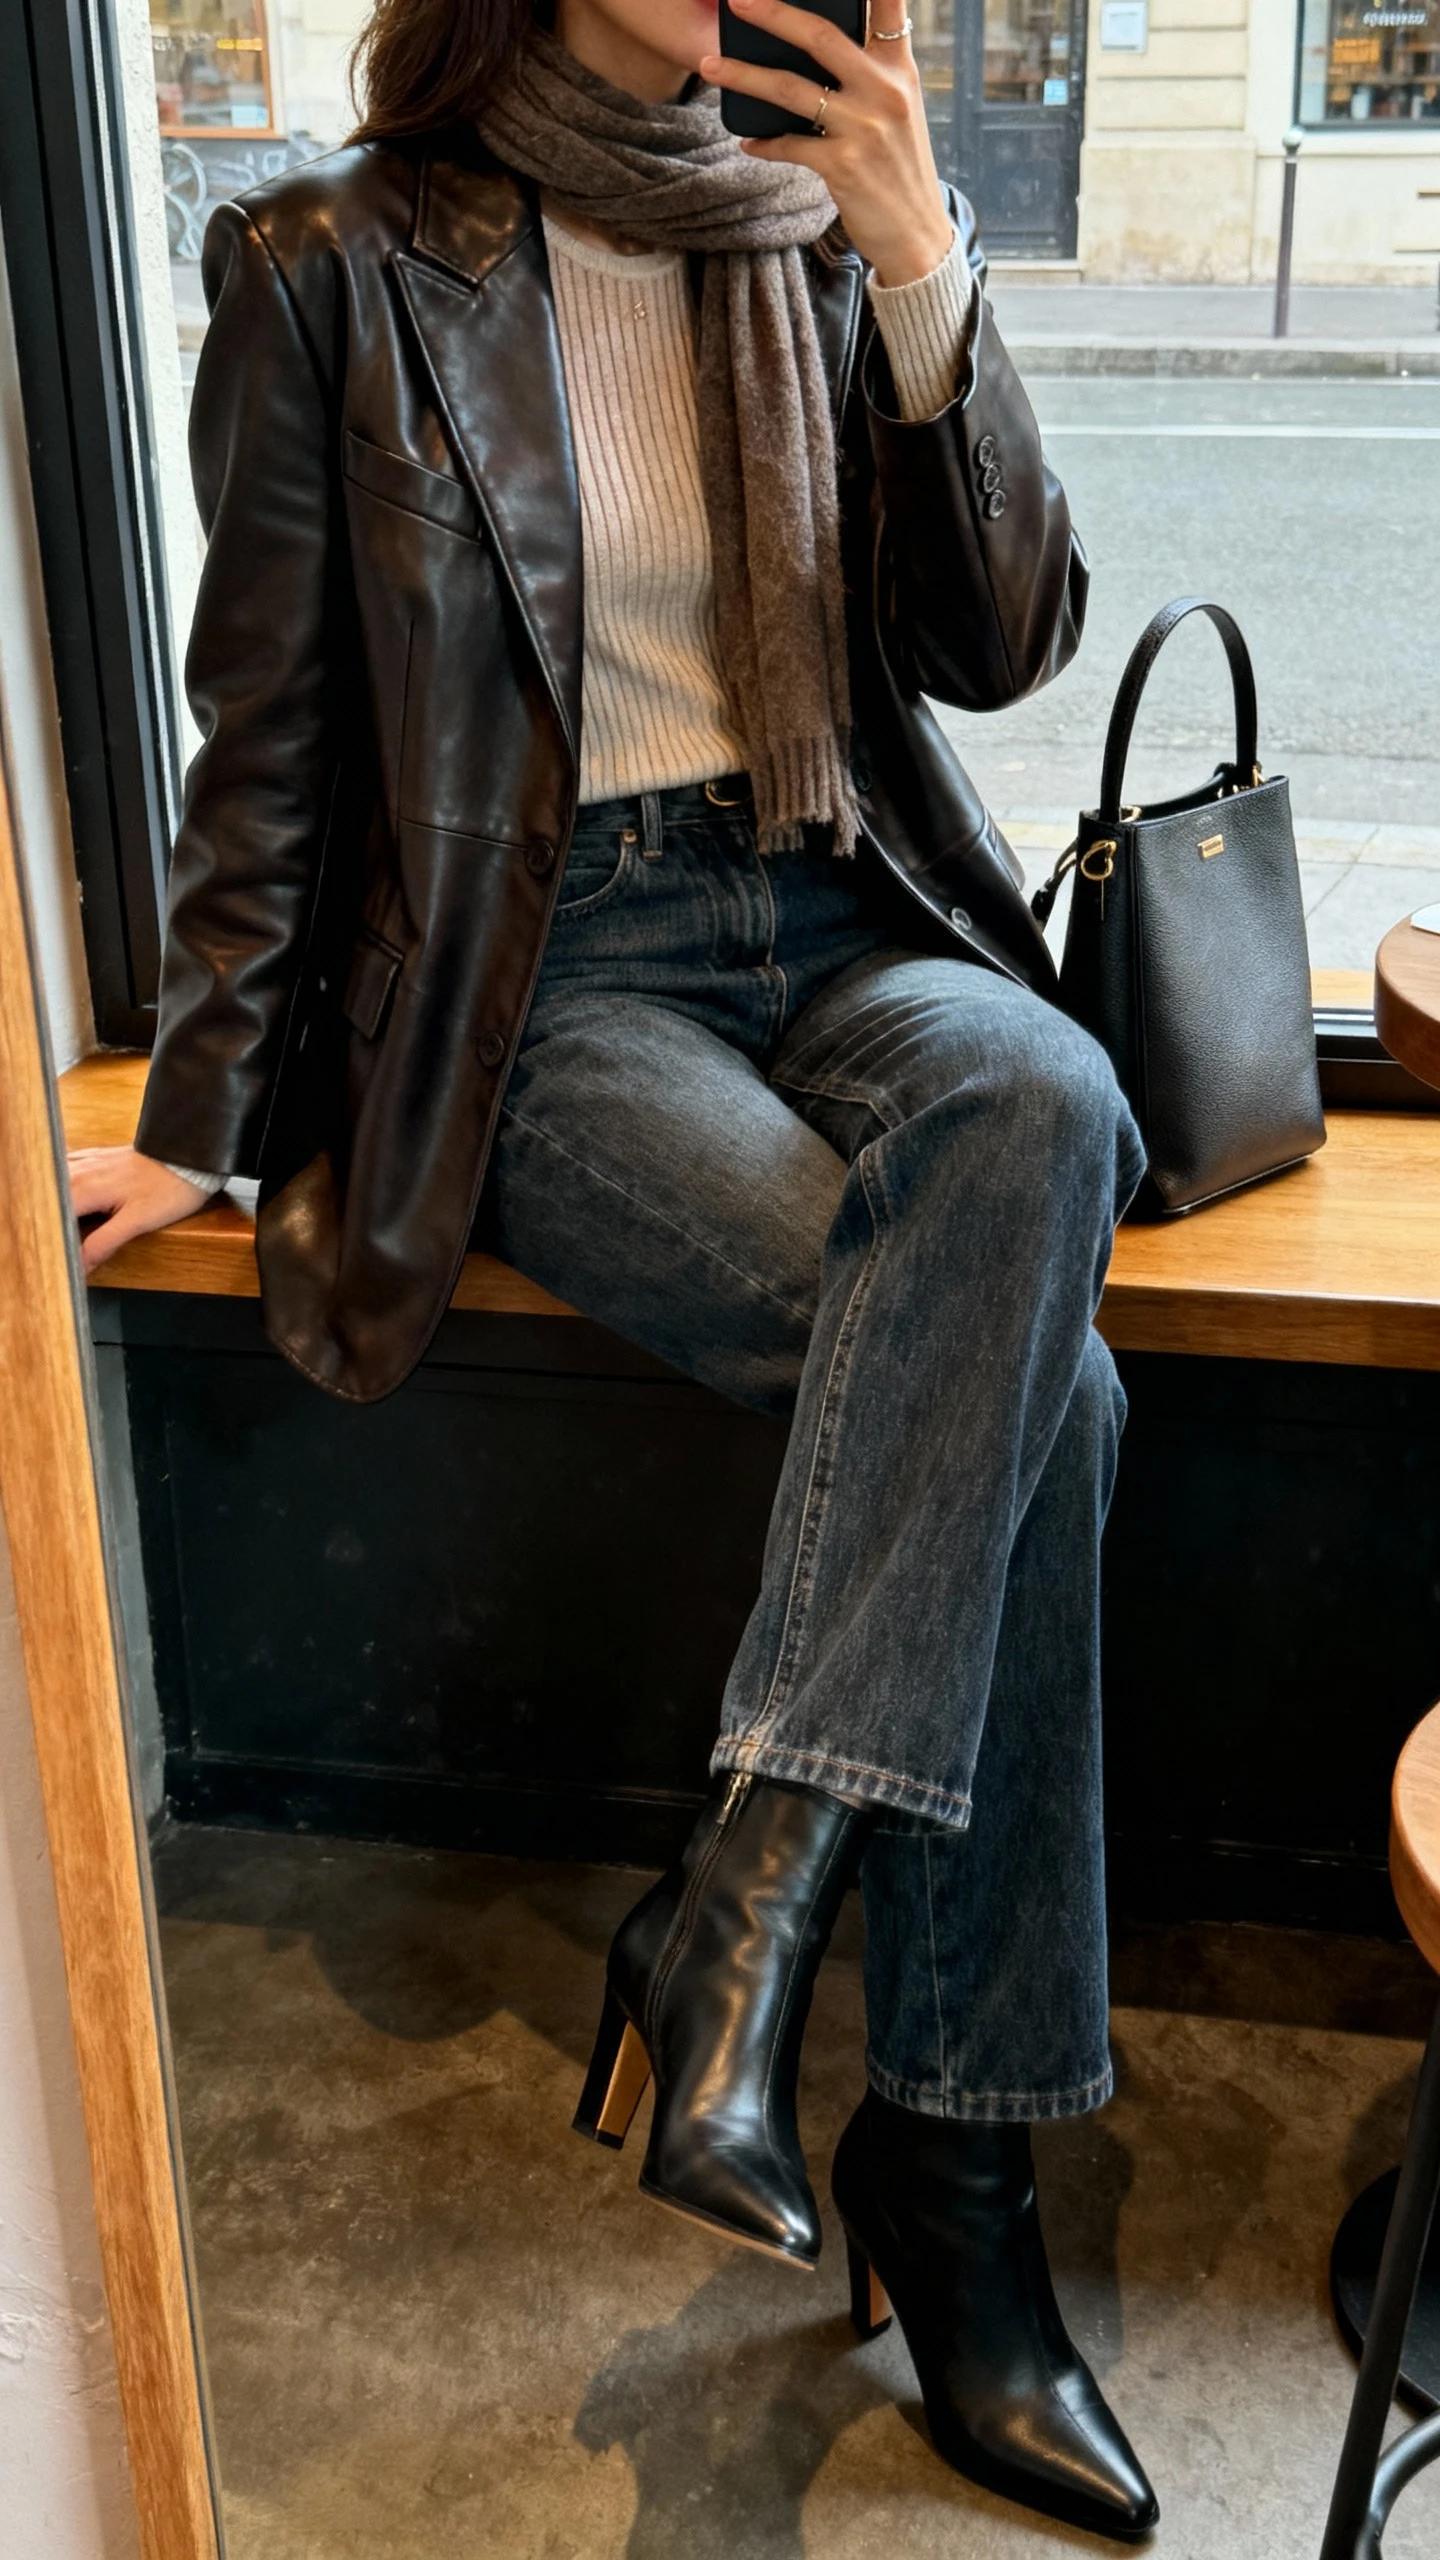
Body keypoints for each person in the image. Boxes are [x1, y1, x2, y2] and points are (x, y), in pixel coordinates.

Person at [69, 0, 1155, 2537]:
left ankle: (736, 1914)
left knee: (1044, 1094)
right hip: (558, 986)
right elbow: (270, 743)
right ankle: (964, 2189)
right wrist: (205, 1128)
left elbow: (1002, 645)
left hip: (834, 903)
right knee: (1053, 1405)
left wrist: (920, 268)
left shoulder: (804, 223)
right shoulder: (339, 264)